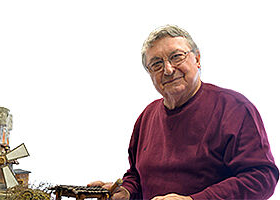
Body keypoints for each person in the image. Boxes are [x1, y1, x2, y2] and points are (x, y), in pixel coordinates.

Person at [88, 25, 279, 199]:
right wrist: (125, 191)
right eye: (156, 64)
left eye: (176, 56)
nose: (168, 69)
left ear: (197, 59)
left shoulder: (235, 108)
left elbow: (262, 177)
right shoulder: (146, 117)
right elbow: (137, 176)